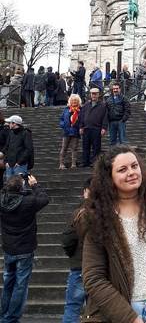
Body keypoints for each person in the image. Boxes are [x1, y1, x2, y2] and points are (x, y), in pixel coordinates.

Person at [82, 145, 146, 323]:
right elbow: (93, 277)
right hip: (116, 313)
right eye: (122, 169)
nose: (131, 172)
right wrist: (129, 318)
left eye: (134, 166)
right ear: (109, 177)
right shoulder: (98, 215)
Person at [0, 174, 49, 322]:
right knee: (20, 285)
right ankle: (11, 318)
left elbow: (5, 191)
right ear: (21, 188)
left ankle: (4, 315)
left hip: (9, 248)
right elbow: (45, 199)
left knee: (8, 282)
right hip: (25, 248)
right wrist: (34, 185)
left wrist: (15, 182)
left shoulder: (2, 200)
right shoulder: (28, 202)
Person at [61, 177, 91, 322]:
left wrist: (71, 254)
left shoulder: (78, 213)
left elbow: (67, 239)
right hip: (101, 270)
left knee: (72, 307)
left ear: (85, 192)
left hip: (79, 267)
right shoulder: (109, 212)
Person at [79, 88, 108, 167]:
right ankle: (85, 162)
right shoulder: (86, 105)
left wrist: (104, 128)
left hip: (97, 129)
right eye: (92, 93)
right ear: (90, 94)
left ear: (98, 94)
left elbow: (105, 117)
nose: (94, 95)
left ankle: (94, 162)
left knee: (96, 147)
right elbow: (81, 116)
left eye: (95, 93)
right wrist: (81, 127)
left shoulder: (103, 105)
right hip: (86, 128)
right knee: (85, 146)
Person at [3, 115, 34, 181]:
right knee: (9, 186)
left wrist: (19, 162)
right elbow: (7, 147)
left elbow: (29, 149)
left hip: (20, 165)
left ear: (14, 124)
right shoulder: (11, 133)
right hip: (9, 164)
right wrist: (6, 161)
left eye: (10, 123)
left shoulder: (25, 133)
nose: (8, 124)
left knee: (20, 186)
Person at [59, 94, 82, 169]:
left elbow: (83, 120)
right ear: (70, 101)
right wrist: (63, 125)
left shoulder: (81, 110)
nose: (74, 102)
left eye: (75, 100)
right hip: (66, 131)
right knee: (64, 147)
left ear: (78, 101)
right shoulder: (66, 109)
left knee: (74, 148)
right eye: (72, 100)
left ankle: (73, 164)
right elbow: (61, 119)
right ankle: (61, 164)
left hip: (75, 131)